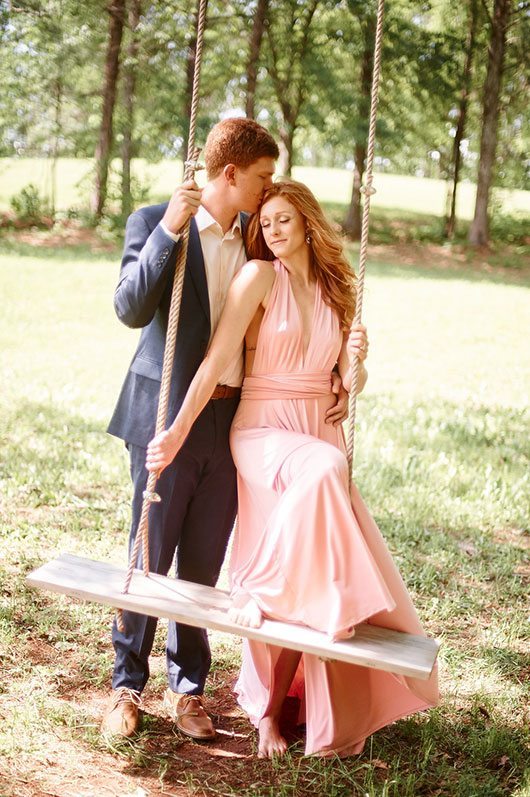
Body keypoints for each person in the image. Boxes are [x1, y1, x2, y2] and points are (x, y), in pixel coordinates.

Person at [146, 179, 439, 758]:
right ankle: (258, 586)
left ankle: (274, 713)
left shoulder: (338, 292)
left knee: (308, 578)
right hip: (262, 433)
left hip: (316, 431)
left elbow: (344, 383)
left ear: (306, 221)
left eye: (284, 220)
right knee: (324, 477)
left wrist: (353, 376)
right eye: (267, 222)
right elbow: (217, 359)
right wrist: (177, 431)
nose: (274, 230)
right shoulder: (258, 278)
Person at [102, 120, 348, 740]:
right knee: (149, 552)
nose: (270, 193)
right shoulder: (155, 220)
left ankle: (188, 690)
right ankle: (126, 686)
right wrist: (169, 231)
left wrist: (344, 366)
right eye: (263, 177)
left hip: (236, 418)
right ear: (231, 174)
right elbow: (129, 308)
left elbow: (300, 311)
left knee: (205, 562)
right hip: (167, 413)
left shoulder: (258, 238)